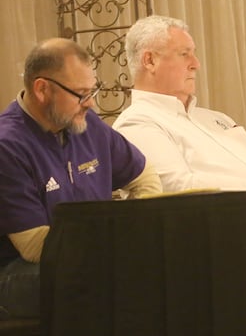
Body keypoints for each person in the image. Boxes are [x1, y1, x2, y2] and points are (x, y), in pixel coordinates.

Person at [0, 38, 162, 319]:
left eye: (92, 91)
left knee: (169, 266)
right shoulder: (8, 145)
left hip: (89, 256)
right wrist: (117, 247)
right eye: (81, 93)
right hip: (19, 271)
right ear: (42, 89)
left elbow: (144, 175)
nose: (91, 103)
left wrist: (139, 229)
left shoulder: (88, 125)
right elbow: (36, 246)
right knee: (115, 281)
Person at [113, 15, 246, 192]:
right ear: (150, 61)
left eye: (194, 53)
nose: (196, 64)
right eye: (184, 54)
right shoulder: (137, 123)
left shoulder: (217, 118)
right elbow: (174, 185)